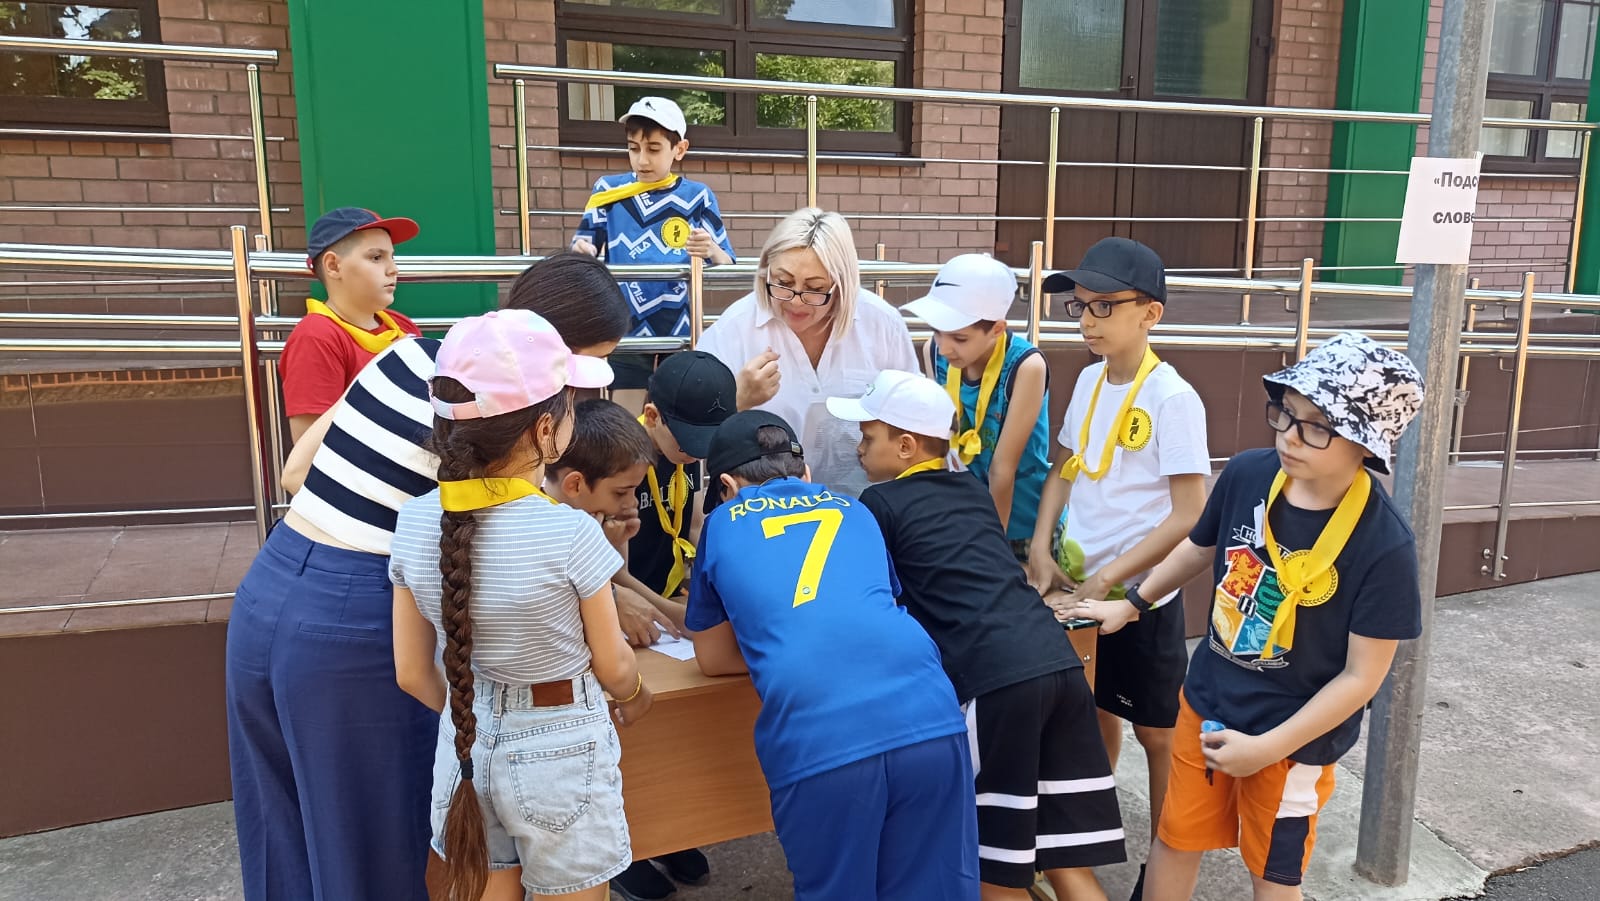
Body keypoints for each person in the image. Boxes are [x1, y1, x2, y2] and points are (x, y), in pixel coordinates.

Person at [228, 252, 630, 901]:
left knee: (286, 843)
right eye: (580, 379)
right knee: (375, 864)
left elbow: (295, 472)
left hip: (270, 592)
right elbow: (526, 566)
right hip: (357, 626)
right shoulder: (494, 422)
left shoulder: (410, 354)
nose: (578, 401)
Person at [1061, 332, 1425, 901]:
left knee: (1273, 875)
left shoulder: (1385, 544)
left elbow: (1362, 678)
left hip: (1293, 741)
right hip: (1205, 702)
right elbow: (1199, 548)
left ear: (1365, 443)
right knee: (1174, 839)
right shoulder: (1250, 474)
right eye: (1286, 414)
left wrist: (1269, 747)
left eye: (1317, 427)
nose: (1290, 436)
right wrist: (1132, 604)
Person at [828, 370, 1126, 901]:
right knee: (1064, 863)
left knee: (994, 870)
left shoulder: (879, 504)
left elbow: (868, 600)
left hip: (996, 686)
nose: (859, 448)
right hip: (1058, 665)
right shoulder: (971, 489)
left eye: (868, 436)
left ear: (905, 446)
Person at [389, 309, 645, 901]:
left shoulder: (413, 522)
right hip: (561, 754)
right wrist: (636, 694)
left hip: (462, 749)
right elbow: (614, 667)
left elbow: (410, 673)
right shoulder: (571, 532)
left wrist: (474, 711)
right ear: (545, 431)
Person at [685, 410, 979, 900]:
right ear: (805, 474)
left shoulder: (721, 524)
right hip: (930, 715)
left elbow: (712, 658)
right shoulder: (855, 509)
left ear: (727, 487)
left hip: (822, 740)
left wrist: (775, 647)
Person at [1024, 237, 1210, 898]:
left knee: (1158, 734)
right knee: (1090, 716)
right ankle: (1078, 847)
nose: (1087, 319)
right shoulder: (1088, 379)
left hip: (1139, 599)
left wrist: (1113, 581)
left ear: (1150, 313)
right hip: (1078, 589)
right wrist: (1041, 544)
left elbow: (1190, 513)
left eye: (1104, 305)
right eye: (1080, 305)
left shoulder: (1173, 397)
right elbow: (1063, 468)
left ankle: (1162, 872)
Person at [612, 349, 737, 901]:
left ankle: (668, 830)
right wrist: (658, 608)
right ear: (652, 416)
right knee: (626, 733)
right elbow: (599, 555)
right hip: (620, 611)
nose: (694, 452)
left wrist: (687, 599)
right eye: (685, 439)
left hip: (663, 616)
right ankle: (625, 848)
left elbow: (682, 535)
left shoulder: (684, 464)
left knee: (676, 730)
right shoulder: (617, 458)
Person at [697, 207, 920, 496]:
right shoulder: (735, 327)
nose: (796, 301)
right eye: (783, 283)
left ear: (841, 284)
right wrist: (736, 400)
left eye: (815, 288)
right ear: (766, 271)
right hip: (767, 511)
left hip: (866, 507)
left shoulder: (880, 323)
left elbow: (914, 420)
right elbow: (690, 436)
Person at [571, 96, 735, 407]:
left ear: (679, 149)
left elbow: (726, 262)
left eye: (654, 149)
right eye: (634, 149)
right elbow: (582, 247)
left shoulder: (698, 197)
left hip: (681, 330)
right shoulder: (608, 191)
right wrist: (583, 251)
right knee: (626, 417)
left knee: (676, 417)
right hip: (625, 327)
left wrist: (710, 249)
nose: (642, 160)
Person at [908, 253, 1050, 558]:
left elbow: (1003, 469)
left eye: (959, 338)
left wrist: (991, 553)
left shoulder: (1026, 366)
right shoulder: (933, 351)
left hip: (1019, 525)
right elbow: (941, 443)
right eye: (937, 330)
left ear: (997, 328)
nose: (945, 347)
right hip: (962, 519)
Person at [545, 398, 687, 646]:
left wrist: (611, 547)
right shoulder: (541, 530)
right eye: (621, 492)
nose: (632, 502)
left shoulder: (596, 518)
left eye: (634, 490)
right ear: (575, 484)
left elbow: (619, 577)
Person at [281, 207, 422, 443]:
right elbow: (309, 448)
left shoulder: (401, 325)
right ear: (333, 266)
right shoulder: (316, 337)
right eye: (376, 257)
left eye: (392, 257)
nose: (393, 269)